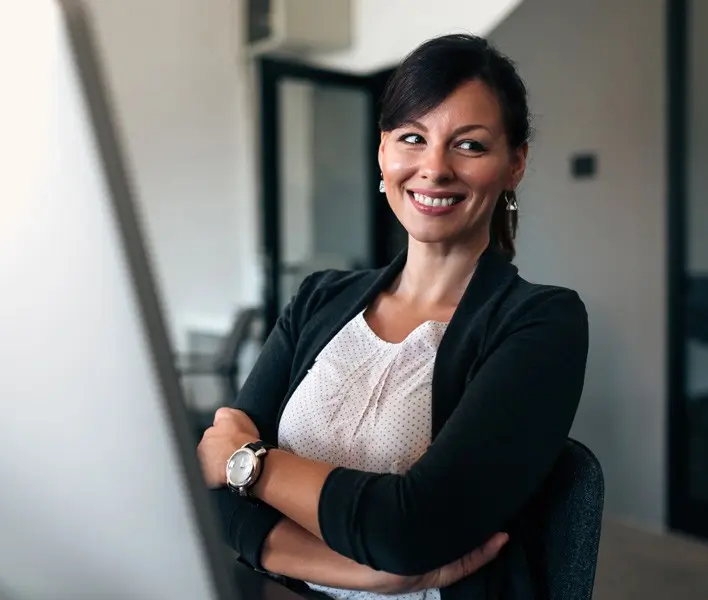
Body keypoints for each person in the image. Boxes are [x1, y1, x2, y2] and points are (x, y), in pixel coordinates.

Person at [199, 33, 589, 600]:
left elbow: (409, 530)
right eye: (413, 138)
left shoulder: (542, 323)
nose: (434, 168)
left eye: (470, 146)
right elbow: (212, 499)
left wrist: (251, 466)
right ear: (384, 153)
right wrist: (368, 573)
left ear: (515, 164)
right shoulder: (318, 298)